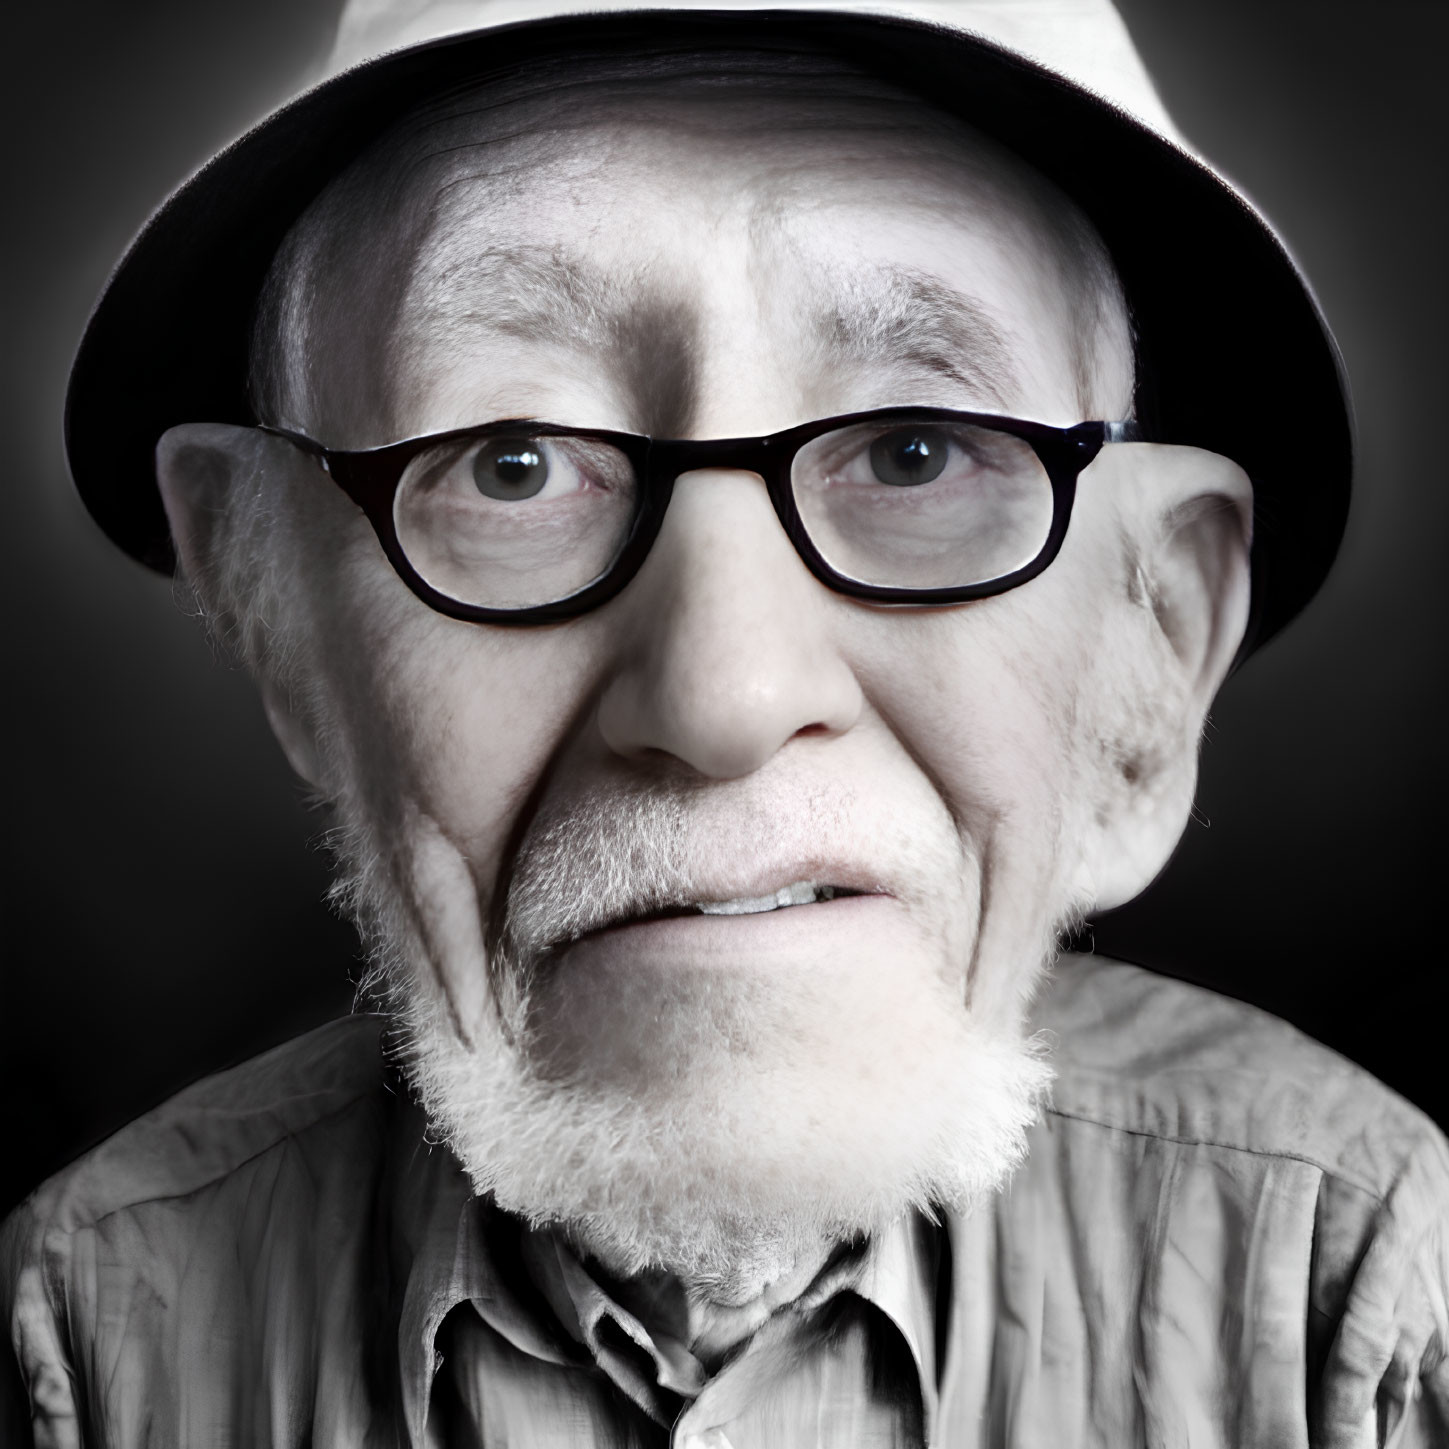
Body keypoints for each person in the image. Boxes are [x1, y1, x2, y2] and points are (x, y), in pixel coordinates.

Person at [3, 0, 1446, 1443]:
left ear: (1152, 658)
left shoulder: (1358, 1283)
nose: (723, 698)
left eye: (914, 450)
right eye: (512, 464)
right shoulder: (95, 1325)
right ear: (283, 626)